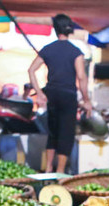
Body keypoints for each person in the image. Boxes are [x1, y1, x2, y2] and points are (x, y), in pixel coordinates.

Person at [27, 13, 92, 173]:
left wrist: (39, 93)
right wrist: (86, 100)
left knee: (53, 132)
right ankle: (60, 172)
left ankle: (49, 168)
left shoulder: (48, 49)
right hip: (68, 95)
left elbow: (31, 70)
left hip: (52, 93)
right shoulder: (76, 52)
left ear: (55, 29)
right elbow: (81, 77)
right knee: (66, 132)